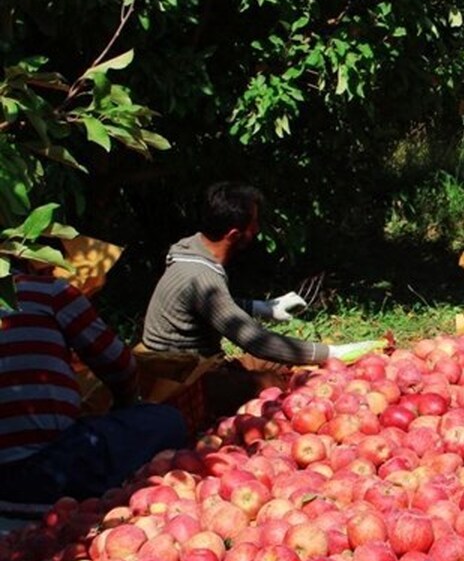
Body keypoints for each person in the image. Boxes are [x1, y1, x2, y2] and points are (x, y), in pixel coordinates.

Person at [140, 183, 374, 416]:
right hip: (184, 379)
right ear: (233, 234)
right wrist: (332, 353)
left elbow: (211, 306)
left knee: (283, 363)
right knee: (273, 383)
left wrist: (265, 308)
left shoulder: (192, 249)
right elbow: (256, 342)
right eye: (253, 225)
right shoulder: (202, 277)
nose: (257, 230)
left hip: (201, 363)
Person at [0, 271, 188, 507]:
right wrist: (126, 405)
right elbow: (119, 365)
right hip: (48, 467)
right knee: (168, 420)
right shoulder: (46, 291)